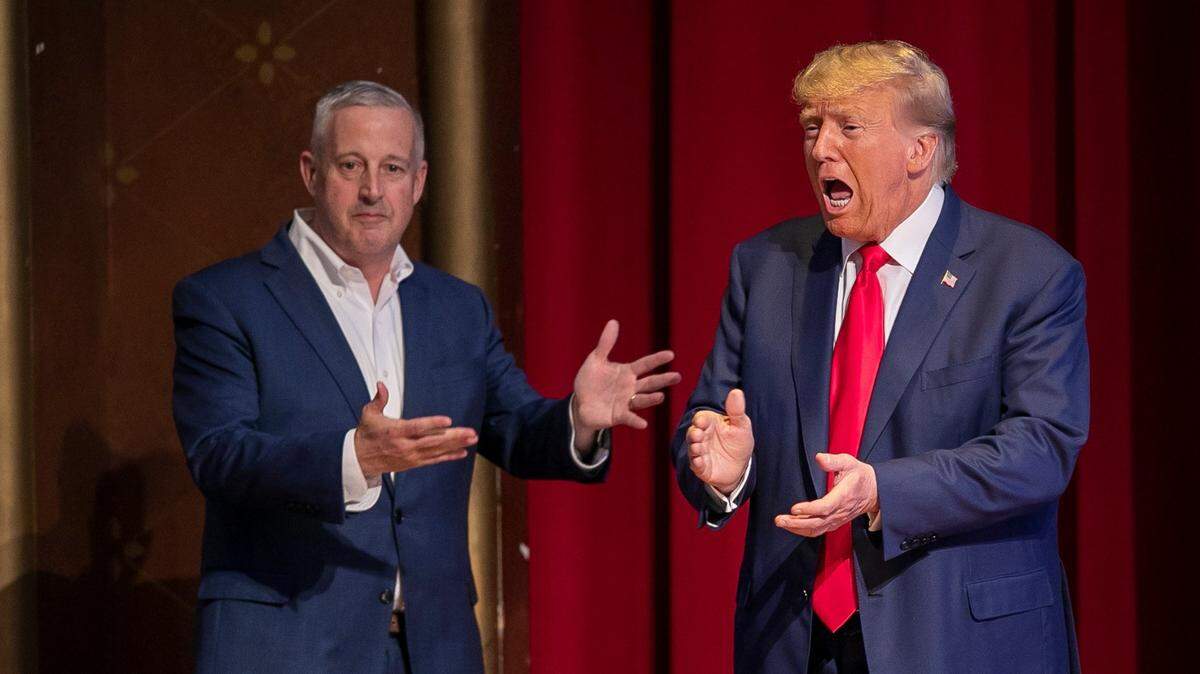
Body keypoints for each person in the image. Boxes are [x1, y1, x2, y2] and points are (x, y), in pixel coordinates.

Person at [172, 80, 680, 673]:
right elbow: (219, 454)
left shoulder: (457, 308)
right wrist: (352, 459)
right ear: (311, 172)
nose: (372, 189)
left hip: (432, 650)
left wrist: (577, 418)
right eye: (351, 165)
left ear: (418, 182)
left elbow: (515, 428)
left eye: (392, 168)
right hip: (286, 646)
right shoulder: (226, 298)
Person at [672, 41, 1087, 673]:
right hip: (793, 643)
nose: (820, 149)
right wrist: (726, 472)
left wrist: (881, 491)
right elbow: (711, 419)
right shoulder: (766, 267)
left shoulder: (1026, 273)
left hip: (959, 641)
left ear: (920, 151)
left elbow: (1042, 448)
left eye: (849, 128)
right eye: (812, 127)